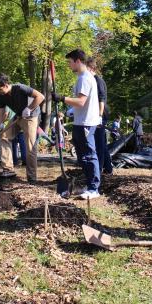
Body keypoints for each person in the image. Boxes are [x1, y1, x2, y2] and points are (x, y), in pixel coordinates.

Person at [52, 49, 100, 199]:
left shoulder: (84, 78)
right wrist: (67, 112)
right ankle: (89, 185)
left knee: (88, 155)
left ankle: (94, 189)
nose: (69, 65)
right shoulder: (83, 77)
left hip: (86, 123)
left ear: (78, 61)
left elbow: (81, 101)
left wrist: (62, 98)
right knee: (82, 156)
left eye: (70, 62)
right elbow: (80, 104)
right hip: (81, 122)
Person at [0, 73, 45, 182]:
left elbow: (40, 96)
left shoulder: (20, 88)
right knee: (4, 136)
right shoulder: (1, 96)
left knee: (30, 146)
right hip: (18, 115)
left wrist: (29, 108)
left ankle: (32, 178)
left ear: (6, 85)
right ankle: (8, 169)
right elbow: (0, 115)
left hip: (31, 116)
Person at [86, 56, 113, 175]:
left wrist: (99, 116)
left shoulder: (98, 81)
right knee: (101, 142)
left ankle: (100, 168)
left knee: (99, 142)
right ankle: (108, 168)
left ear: (91, 68)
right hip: (96, 114)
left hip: (100, 115)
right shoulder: (92, 81)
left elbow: (101, 99)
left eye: (86, 69)